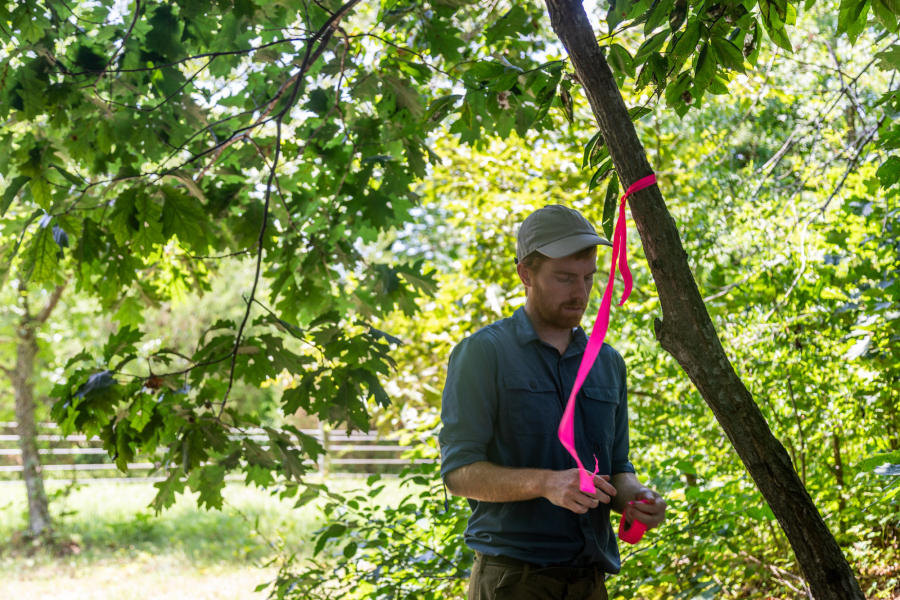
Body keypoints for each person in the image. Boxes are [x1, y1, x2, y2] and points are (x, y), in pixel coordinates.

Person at [439, 205, 667, 600]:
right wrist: (546, 483)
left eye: (588, 278)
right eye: (564, 278)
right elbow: (459, 473)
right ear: (526, 274)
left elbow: (617, 469)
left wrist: (638, 498)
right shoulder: (482, 354)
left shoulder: (607, 362)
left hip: (591, 585)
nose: (580, 293)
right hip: (513, 583)